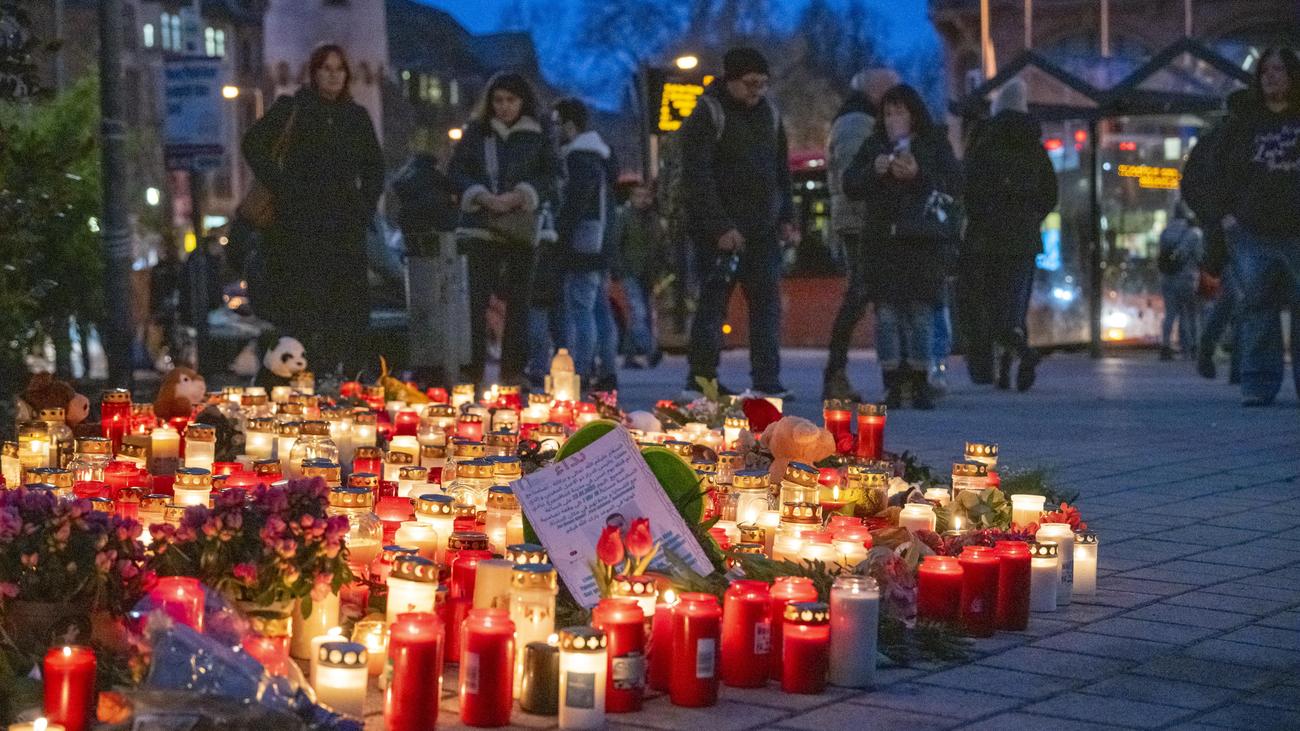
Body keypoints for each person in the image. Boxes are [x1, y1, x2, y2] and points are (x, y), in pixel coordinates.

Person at [241, 43, 383, 378]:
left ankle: (343, 378)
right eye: (326, 69)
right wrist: (284, 187)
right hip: (298, 229)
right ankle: (301, 379)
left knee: (348, 310)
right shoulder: (294, 109)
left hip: (344, 228)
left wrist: (364, 208)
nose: (333, 76)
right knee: (304, 309)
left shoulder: (356, 117)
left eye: (339, 69)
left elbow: (375, 168)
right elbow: (253, 145)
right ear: (314, 73)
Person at [681, 47, 799, 398]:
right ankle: (701, 380)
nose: (757, 91)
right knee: (713, 306)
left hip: (762, 230)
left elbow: (781, 171)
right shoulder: (707, 113)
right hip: (719, 234)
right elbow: (697, 177)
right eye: (750, 84)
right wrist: (720, 227)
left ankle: (767, 381)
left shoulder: (770, 115)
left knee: (766, 307)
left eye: (762, 84)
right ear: (730, 80)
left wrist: (786, 216)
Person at [843, 84, 961, 409]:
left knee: (921, 315)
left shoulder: (932, 143)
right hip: (883, 245)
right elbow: (850, 183)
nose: (894, 119)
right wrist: (875, 170)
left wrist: (919, 174)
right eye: (888, 113)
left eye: (900, 112)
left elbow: (952, 183)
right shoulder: (875, 145)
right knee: (887, 316)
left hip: (923, 244)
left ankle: (921, 383)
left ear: (913, 114)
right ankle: (892, 383)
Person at [1197, 48, 1300, 406]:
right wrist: (1225, 216)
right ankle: (1258, 385)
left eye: (1279, 70)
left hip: (1296, 230)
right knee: (1258, 308)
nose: (1272, 76)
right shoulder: (1244, 123)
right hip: (1252, 230)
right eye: (1266, 70)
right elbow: (1213, 171)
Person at [447, 72, 559, 387]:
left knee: (519, 302)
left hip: (521, 228)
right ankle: (473, 368)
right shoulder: (477, 132)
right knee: (475, 301)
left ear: (523, 101)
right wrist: (480, 194)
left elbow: (553, 176)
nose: (504, 107)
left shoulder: (539, 133)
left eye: (511, 100)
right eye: (498, 100)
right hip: (480, 227)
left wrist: (521, 194)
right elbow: (456, 171)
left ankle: (513, 370)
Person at [960, 78, 1058, 391]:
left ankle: (1012, 360)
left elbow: (969, 186)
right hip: (1024, 238)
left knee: (990, 305)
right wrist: (1030, 216)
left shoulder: (984, 140)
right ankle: (1012, 365)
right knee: (1015, 304)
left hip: (986, 237)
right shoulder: (1034, 145)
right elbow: (1049, 194)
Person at [823, 68, 900, 400]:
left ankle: (849, 373)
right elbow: (856, 177)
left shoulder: (860, 120)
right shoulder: (857, 123)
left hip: (864, 220)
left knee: (864, 295)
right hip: (860, 222)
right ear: (876, 91)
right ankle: (835, 372)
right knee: (859, 294)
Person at [553, 98, 620, 391]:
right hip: (602, 244)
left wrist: (560, 233)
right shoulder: (602, 156)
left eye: (557, 124)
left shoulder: (578, 158)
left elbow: (574, 204)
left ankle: (580, 372)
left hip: (583, 244)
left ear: (569, 125)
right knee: (600, 309)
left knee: (580, 309)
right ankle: (607, 370)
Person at [613, 182, 667, 369]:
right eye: (638, 196)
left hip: (647, 273)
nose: (643, 200)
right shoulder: (625, 218)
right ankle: (649, 350)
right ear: (631, 198)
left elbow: (660, 246)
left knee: (640, 313)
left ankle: (630, 355)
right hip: (630, 271)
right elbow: (617, 244)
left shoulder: (653, 219)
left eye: (646, 196)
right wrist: (618, 268)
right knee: (638, 312)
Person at [1156, 202, 1204, 360]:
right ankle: (1192, 347)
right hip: (1187, 278)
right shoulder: (1193, 234)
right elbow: (1199, 257)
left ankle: (1165, 346)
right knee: (1191, 313)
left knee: (1170, 313)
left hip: (1167, 278)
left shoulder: (1165, 232)